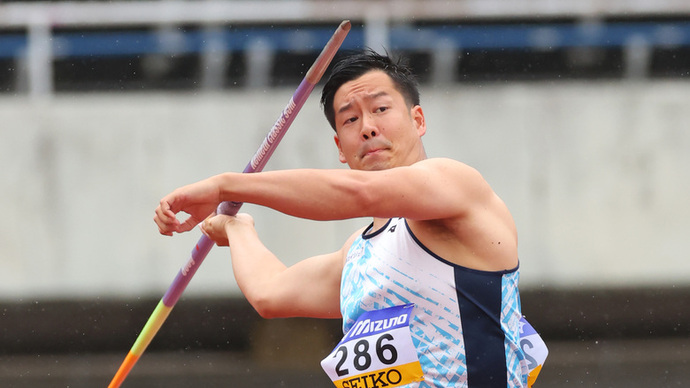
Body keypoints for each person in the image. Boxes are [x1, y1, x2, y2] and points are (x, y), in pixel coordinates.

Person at [154, 50, 530, 387]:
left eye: (381, 109)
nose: (367, 127)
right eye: (349, 120)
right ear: (339, 148)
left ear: (418, 120)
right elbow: (271, 293)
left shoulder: (455, 184)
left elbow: (357, 193)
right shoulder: (359, 256)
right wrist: (237, 228)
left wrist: (225, 187)